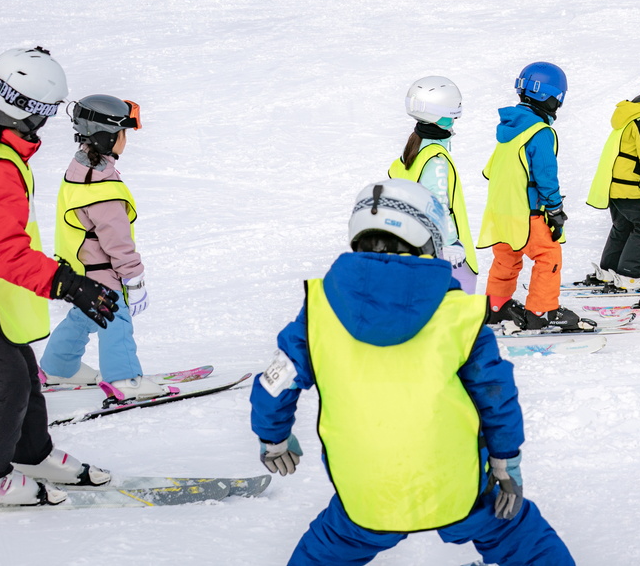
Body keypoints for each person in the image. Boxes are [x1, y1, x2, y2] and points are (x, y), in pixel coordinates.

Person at [250, 180, 575, 566]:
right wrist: (506, 461)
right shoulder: (458, 314)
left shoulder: (319, 311)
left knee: (331, 545)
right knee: (516, 532)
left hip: (367, 485)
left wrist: (274, 438)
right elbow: (495, 392)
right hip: (456, 480)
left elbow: (277, 379)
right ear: (428, 239)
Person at [0, 47, 120, 507]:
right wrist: (68, 283)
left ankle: (31, 453)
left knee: (22, 371)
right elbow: (9, 253)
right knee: (3, 380)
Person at [40, 95, 160, 401]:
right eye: (123, 134)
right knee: (115, 316)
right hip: (100, 270)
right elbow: (117, 240)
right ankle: (124, 380)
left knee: (84, 314)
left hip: (79, 268)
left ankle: (58, 367)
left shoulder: (81, 169)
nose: (126, 140)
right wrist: (134, 277)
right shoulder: (102, 189)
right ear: (108, 137)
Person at [477, 62, 593, 333]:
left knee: (507, 257)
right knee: (548, 256)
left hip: (501, 212)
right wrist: (554, 208)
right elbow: (544, 175)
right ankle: (542, 311)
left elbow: (489, 171)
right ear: (549, 97)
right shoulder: (540, 132)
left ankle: (497, 305)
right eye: (558, 99)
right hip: (527, 212)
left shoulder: (508, 129)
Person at [582, 68, 640, 292]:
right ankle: (632, 274)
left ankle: (610, 270)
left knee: (624, 225)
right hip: (631, 186)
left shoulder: (635, 110)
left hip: (616, 185)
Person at [387, 76, 478, 294]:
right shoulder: (435, 159)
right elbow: (438, 202)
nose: (454, 122)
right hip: (440, 249)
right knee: (460, 296)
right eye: (450, 117)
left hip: (417, 243)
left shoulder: (416, 146)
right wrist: (450, 242)